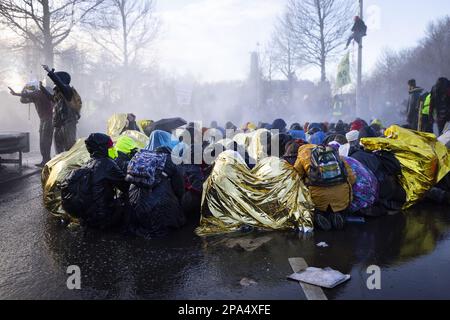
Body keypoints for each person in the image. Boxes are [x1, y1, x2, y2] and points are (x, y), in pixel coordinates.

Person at [294, 144, 356, 231]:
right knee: (339, 206)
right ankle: (337, 214)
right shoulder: (334, 154)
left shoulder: (303, 156)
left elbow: (295, 177)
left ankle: (317, 215)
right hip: (341, 196)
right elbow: (352, 178)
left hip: (318, 198)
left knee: (316, 205)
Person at [127, 145, 186, 238]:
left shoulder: (142, 161)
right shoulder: (171, 162)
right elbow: (179, 188)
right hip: (159, 208)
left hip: (135, 204)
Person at [81, 133, 129, 229]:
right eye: (110, 146)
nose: (112, 148)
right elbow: (126, 187)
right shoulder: (107, 163)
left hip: (87, 216)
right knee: (131, 201)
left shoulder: (87, 163)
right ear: (103, 147)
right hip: (103, 217)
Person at [8, 81, 53, 167]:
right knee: (43, 141)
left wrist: (17, 93)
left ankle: (46, 160)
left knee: (45, 141)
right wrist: (23, 91)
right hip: (44, 120)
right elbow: (23, 101)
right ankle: (45, 160)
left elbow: (25, 97)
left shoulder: (39, 93)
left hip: (48, 120)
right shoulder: (36, 95)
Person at [41, 65, 81, 154]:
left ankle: (70, 167)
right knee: (58, 151)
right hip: (58, 125)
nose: (54, 84)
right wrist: (42, 88)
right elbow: (51, 98)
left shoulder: (67, 90)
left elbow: (59, 83)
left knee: (69, 149)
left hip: (68, 125)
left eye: (56, 81)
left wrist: (49, 72)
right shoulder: (59, 94)